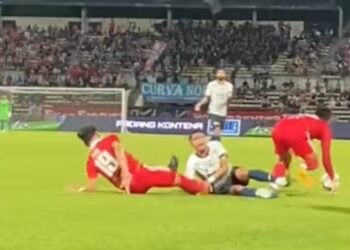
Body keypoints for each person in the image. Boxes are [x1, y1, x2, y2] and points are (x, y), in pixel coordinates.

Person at [72, 125, 208, 195]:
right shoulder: (109, 140)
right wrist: (125, 173)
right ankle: (204, 189)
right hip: (138, 176)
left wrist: (82, 189)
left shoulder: (90, 161)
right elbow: (119, 151)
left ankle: (168, 169)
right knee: (177, 179)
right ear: (96, 134)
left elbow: (92, 186)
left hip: (130, 188)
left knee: (151, 169)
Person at [184, 130, 278, 199]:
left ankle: (276, 179)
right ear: (191, 143)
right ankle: (260, 193)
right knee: (236, 189)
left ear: (206, 139)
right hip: (217, 186)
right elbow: (188, 181)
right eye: (196, 139)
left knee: (241, 173)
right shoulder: (192, 161)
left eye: (202, 137)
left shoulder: (215, 145)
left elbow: (224, 167)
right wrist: (201, 188)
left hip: (229, 173)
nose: (200, 141)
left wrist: (209, 180)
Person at [271, 106, 337, 192]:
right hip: (297, 135)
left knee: (283, 160)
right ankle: (303, 168)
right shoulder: (324, 126)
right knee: (313, 163)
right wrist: (331, 176)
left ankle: (276, 181)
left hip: (277, 130)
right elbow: (326, 156)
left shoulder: (305, 117)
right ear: (328, 119)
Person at [194, 69, 233, 140]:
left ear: (225, 75)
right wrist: (199, 104)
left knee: (219, 129)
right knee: (217, 126)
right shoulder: (211, 85)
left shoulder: (229, 85)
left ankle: (212, 139)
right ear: (216, 75)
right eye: (219, 73)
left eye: (222, 73)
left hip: (223, 111)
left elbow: (229, 98)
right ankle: (217, 141)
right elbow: (207, 97)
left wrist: (227, 104)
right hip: (213, 109)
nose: (221, 74)